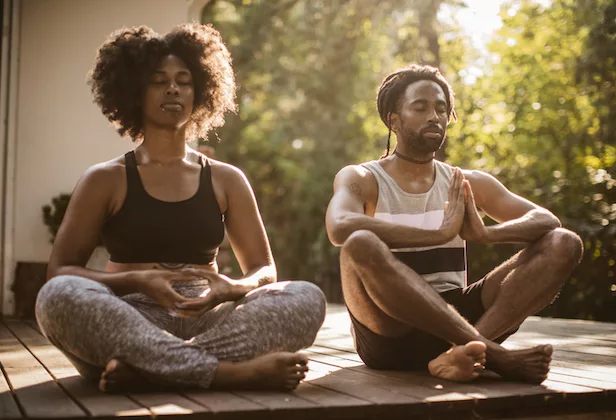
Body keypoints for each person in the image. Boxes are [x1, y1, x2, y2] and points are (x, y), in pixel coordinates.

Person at [35, 24, 326, 393]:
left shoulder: (226, 179)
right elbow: (59, 271)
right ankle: (226, 373)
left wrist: (231, 288)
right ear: (134, 92)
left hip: (210, 317)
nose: (173, 88)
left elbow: (264, 270)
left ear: (200, 92)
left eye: (184, 80)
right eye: (158, 80)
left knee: (305, 297)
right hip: (129, 318)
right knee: (58, 296)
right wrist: (137, 280)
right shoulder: (104, 179)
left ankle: (152, 370)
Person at [325, 64, 583, 384]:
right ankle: (492, 354)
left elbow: (547, 220)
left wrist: (487, 233)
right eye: (420, 108)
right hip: (391, 333)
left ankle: (466, 350)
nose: (434, 116)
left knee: (564, 242)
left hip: (459, 321)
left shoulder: (465, 181)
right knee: (358, 244)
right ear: (394, 119)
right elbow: (339, 226)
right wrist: (437, 234)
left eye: (441, 108)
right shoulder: (363, 178)